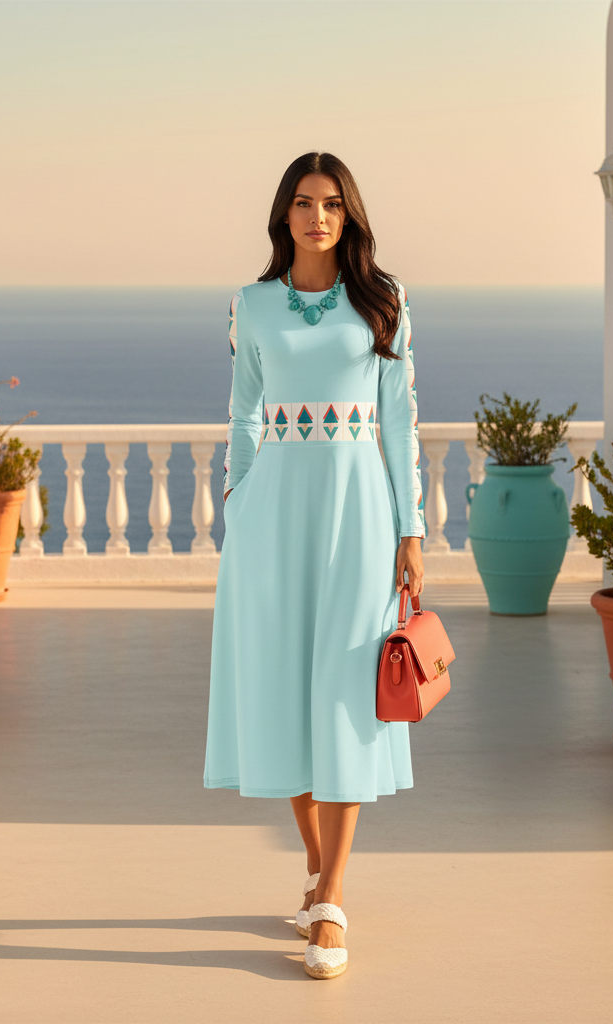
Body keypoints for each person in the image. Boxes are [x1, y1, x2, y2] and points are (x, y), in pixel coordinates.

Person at [204, 151, 425, 980]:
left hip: (359, 517)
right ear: (283, 215)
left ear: (350, 215)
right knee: (287, 695)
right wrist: (239, 502)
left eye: (332, 204)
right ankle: (314, 867)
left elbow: (399, 423)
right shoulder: (252, 306)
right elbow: (243, 412)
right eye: (303, 202)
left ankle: (331, 900)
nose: (317, 216)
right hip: (271, 519)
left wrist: (411, 530)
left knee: (341, 694)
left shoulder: (384, 302)